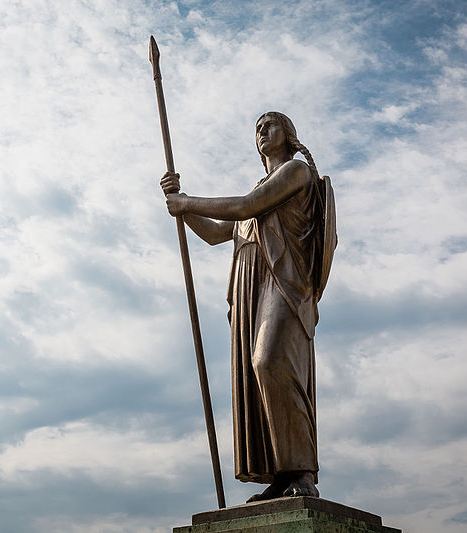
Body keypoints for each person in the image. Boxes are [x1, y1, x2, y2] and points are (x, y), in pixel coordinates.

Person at [160, 111, 335, 502]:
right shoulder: (260, 191)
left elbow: (244, 206)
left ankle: (303, 472)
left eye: (269, 124)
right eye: (257, 128)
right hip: (251, 290)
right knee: (258, 378)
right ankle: (282, 473)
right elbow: (217, 233)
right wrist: (182, 209)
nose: (261, 131)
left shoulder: (296, 172)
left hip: (285, 285)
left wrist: (188, 200)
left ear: (289, 135)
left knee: (269, 361)